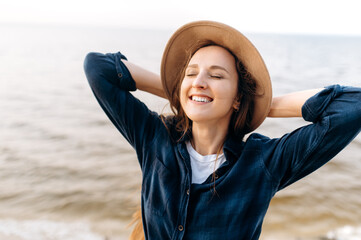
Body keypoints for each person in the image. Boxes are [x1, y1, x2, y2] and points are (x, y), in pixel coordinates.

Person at [83, 21, 361, 240]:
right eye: (191, 73)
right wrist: (182, 92)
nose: (200, 81)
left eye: (216, 76)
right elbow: (98, 67)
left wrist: (264, 106)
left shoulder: (263, 162)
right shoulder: (154, 137)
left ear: (238, 98)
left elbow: (353, 106)